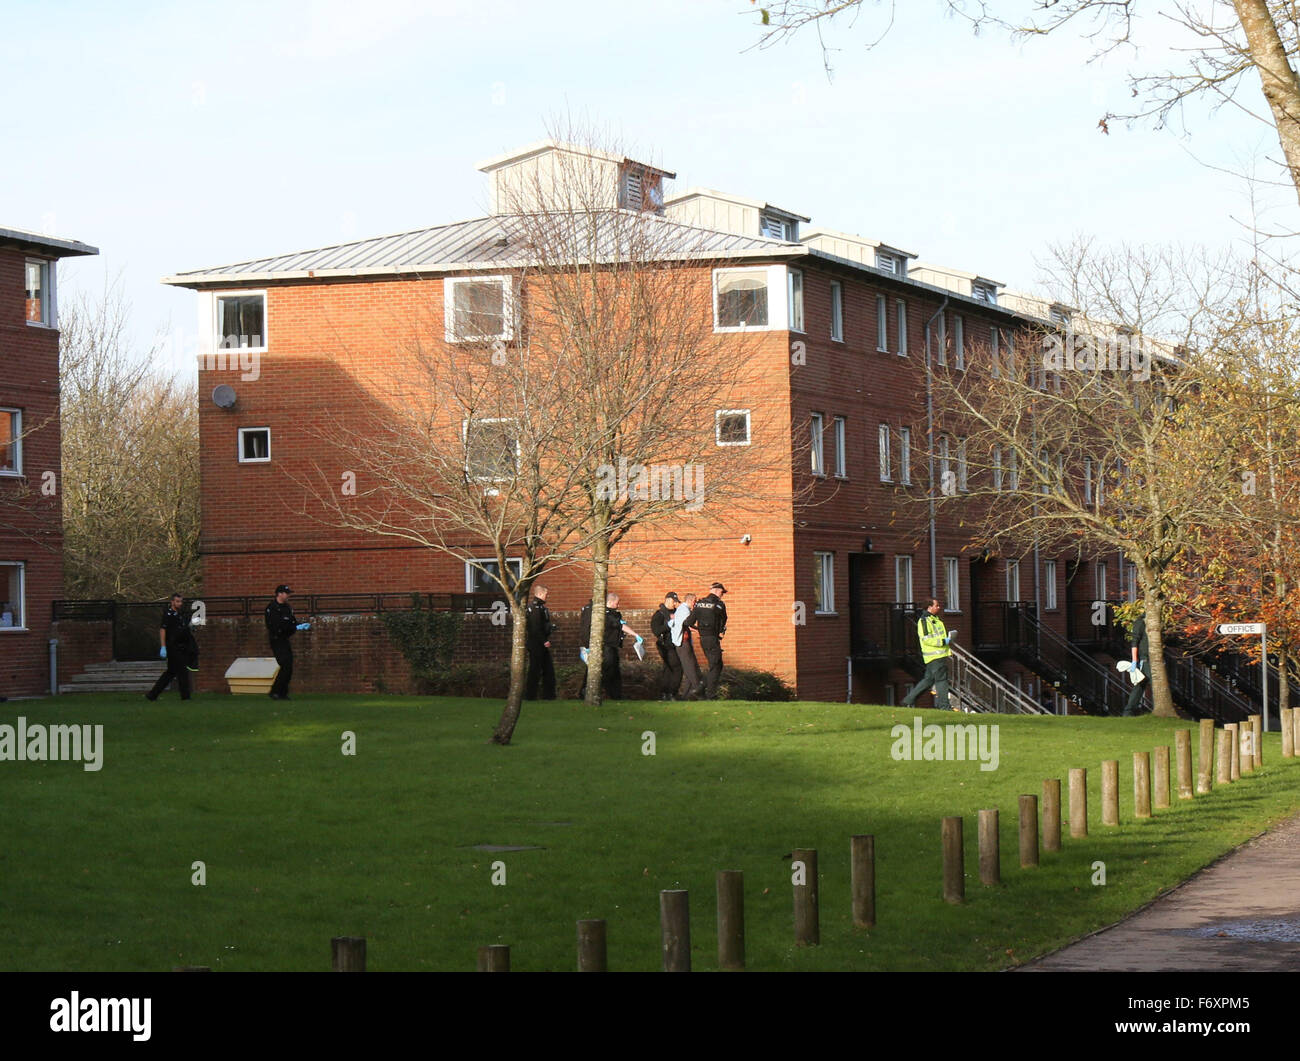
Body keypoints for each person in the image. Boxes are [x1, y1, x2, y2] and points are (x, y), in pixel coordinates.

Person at [901, 598, 955, 710]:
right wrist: (944, 641)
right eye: (937, 605)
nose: (939, 607)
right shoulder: (925, 620)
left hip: (936, 655)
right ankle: (944, 706)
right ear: (929, 607)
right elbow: (926, 639)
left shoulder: (934, 619)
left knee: (928, 680)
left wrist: (948, 640)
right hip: (935, 655)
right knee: (941, 680)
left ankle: (907, 701)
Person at [265, 584, 311, 700]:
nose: (288, 595)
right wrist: (293, 628)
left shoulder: (287, 608)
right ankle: (275, 691)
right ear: (279, 594)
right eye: (286, 593)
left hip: (285, 639)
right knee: (285, 665)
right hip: (277, 640)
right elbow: (276, 627)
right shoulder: (272, 608)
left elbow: (292, 622)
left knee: (289, 666)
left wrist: (299, 625)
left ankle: (282, 693)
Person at [145, 592, 194, 701]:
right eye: (177, 601)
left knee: (171, 672)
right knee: (182, 671)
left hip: (181, 646)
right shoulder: (168, 614)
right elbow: (163, 629)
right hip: (173, 646)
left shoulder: (181, 614)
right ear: (172, 602)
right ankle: (185, 697)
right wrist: (163, 646)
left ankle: (152, 695)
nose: (179, 603)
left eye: (181, 601)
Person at [684, 582, 728, 699]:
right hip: (712, 639)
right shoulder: (719, 605)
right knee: (716, 665)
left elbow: (688, 622)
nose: (722, 595)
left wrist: (701, 630)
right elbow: (723, 621)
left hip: (703, 639)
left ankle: (704, 690)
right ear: (717, 590)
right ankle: (706, 691)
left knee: (715, 664)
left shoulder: (699, 604)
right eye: (722, 592)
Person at [668, 593, 705, 701]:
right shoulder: (684, 610)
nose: (695, 603)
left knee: (689, 666)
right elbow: (687, 624)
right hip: (683, 643)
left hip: (684, 642)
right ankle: (699, 691)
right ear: (691, 600)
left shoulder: (681, 609)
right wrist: (700, 630)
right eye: (695, 601)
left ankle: (686, 696)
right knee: (690, 668)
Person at [525, 584, 556, 700]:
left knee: (548, 670)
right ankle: (530, 695)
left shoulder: (541, 608)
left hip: (540, 643)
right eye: (545, 594)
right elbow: (535, 627)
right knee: (535, 670)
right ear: (540, 594)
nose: (546, 597)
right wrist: (544, 641)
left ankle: (548, 695)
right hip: (536, 644)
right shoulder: (535, 608)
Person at [650, 592, 683, 701]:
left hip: (675, 644)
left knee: (668, 669)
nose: (675, 604)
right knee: (677, 668)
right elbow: (656, 631)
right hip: (665, 645)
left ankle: (666, 693)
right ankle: (672, 693)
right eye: (674, 601)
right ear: (668, 600)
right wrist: (668, 625)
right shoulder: (659, 615)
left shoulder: (677, 612)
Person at [1122, 612, 1150, 716]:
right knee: (1152, 683)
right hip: (1145, 659)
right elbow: (1135, 642)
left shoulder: (1154, 622)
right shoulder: (1140, 622)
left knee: (1140, 685)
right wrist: (1134, 660)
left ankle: (1128, 711)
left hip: (1149, 659)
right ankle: (1128, 711)